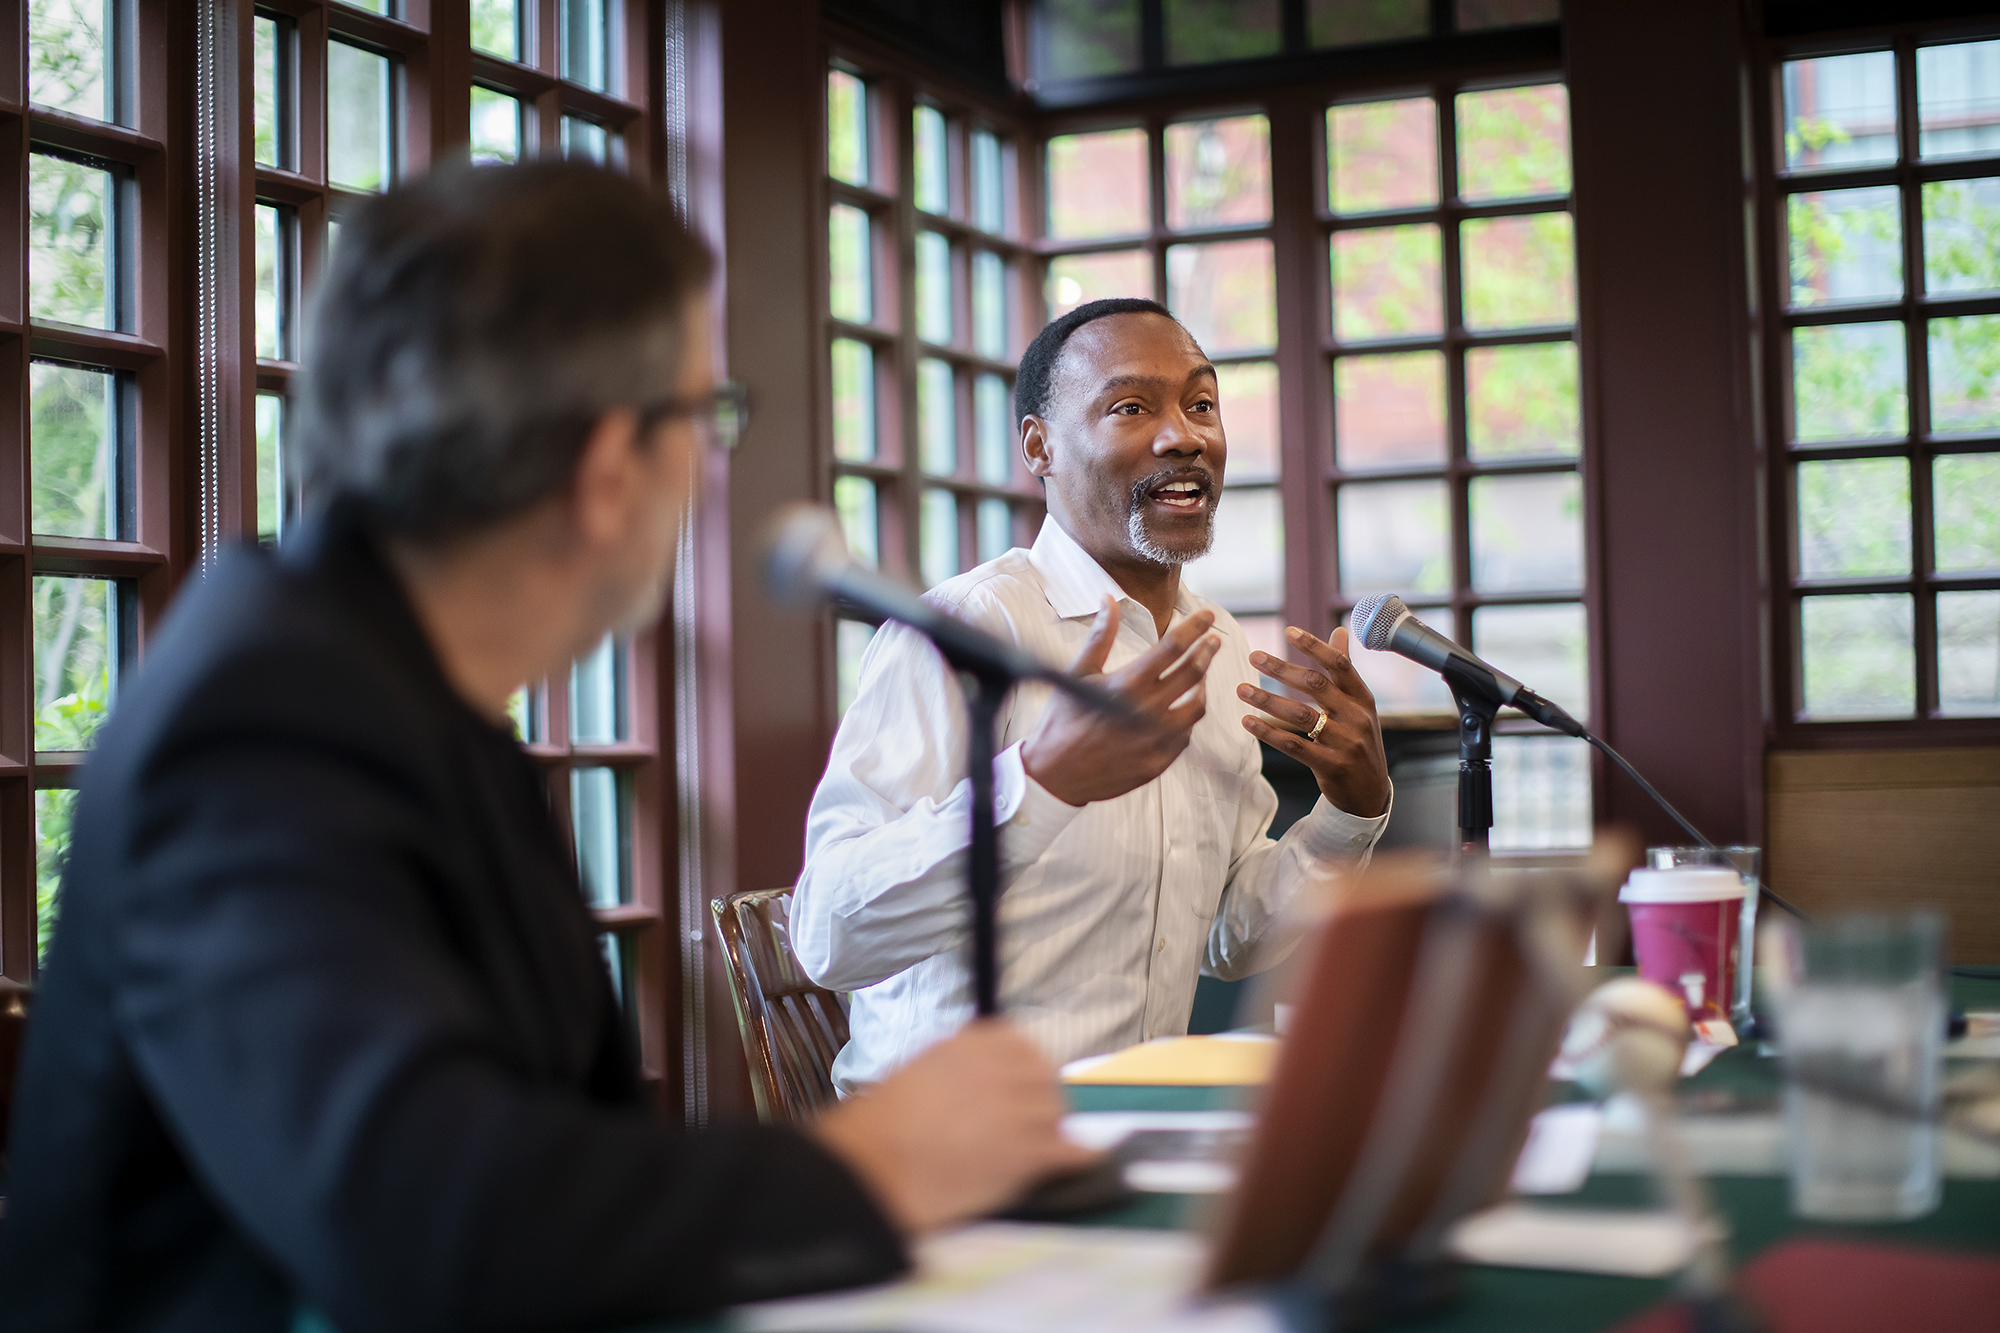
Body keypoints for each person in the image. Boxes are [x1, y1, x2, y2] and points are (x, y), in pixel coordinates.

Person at [0, 162, 1090, 1333]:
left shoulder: (397, 693)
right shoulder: (258, 724)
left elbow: (554, 1147)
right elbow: (430, 1219)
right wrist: (873, 1167)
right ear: (609, 462)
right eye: (704, 418)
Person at [793, 298, 1395, 1094]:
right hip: (954, 1147)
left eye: (1202, 403)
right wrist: (1043, 780)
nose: (1184, 434)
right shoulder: (968, 628)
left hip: (1137, 1127)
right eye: (1131, 407)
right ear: (1040, 446)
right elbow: (829, 934)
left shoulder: (1213, 649)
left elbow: (1228, 936)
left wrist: (1350, 813)